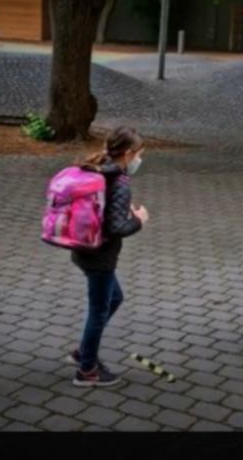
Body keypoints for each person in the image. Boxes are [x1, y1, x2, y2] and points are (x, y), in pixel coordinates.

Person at [70, 126, 149, 387]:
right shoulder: (119, 182)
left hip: (84, 250)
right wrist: (138, 220)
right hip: (99, 257)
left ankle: (84, 352)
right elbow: (116, 228)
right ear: (128, 154)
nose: (139, 160)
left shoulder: (98, 169)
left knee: (114, 298)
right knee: (99, 309)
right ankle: (87, 370)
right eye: (139, 154)